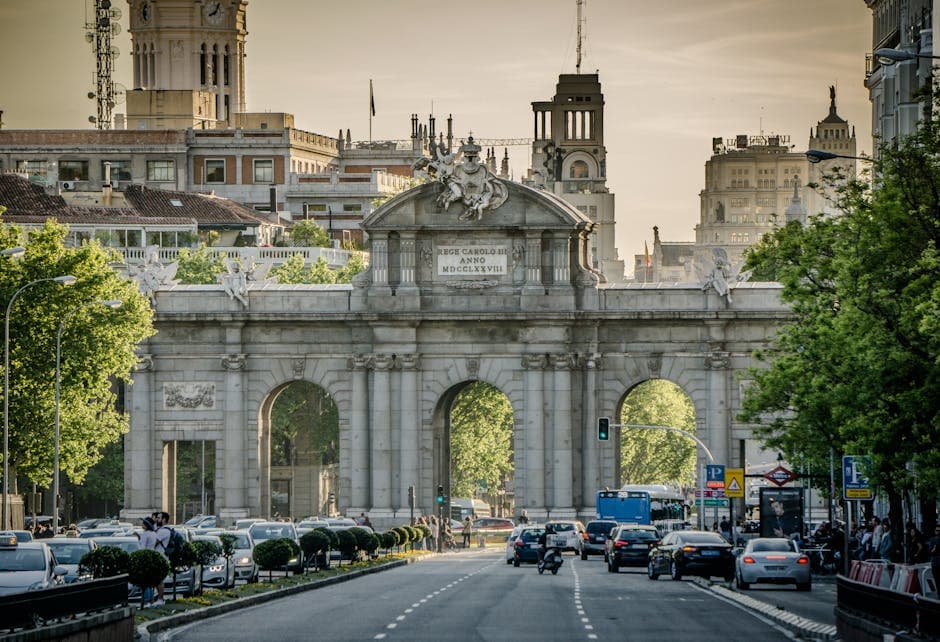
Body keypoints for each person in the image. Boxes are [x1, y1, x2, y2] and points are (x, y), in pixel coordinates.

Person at [140, 516, 166, 607]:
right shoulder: (154, 534)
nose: (141, 524)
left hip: (146, 558)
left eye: (143, 523)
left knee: (146, 581)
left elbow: (142, 548)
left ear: (146, 525)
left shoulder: (145, 534)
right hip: (152, 557)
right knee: (151, 581)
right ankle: (150, 600)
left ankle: (147, 601)